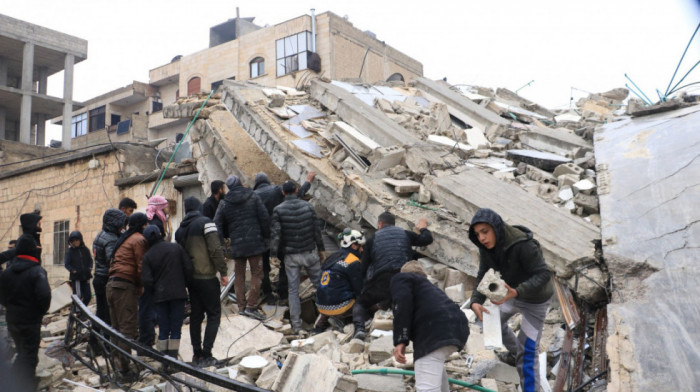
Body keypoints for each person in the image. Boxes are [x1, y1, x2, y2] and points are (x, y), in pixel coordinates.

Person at [468, 208, 553, 392]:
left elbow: (544, 274)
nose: (481, 238)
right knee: (491, 323)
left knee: (528, 352)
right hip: (510, 294)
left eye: (485, 232)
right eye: (477, 234)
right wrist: (476, 300)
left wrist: (517, 291)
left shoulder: (522, 244)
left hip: (535, 301)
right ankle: (516, 353)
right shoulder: (487, 248)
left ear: (495, 228)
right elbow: (484, 273)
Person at [353, 212, 433, 340]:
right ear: (393, 224)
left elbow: (364, 268)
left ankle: (359, 329)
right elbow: (427, 239)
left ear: (379, 224)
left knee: (361, 303)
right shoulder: (404, 233)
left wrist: (363, 288)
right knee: (402, 302)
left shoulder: (372, 239)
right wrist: (422, 227)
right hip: (403, 278)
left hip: (381, 280)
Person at [391, 261, 469, 392]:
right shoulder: (430, 289)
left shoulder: (403, 279)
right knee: (435, 363)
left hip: (435, 332)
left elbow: (402, 304)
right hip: (458, 328)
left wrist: (400, 340)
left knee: (426, 387)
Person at [176, 197, 228, 366]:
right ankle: (207, 354)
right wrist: (223, 271)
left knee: (196, 316)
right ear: (198, 207)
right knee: (214, 314)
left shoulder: (180, 230)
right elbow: (215, 248)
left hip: (191, 280)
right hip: (206, 277)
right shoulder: (206, 223)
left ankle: (196, 354)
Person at [270, 180, 325, 335]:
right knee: (320, 285)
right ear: (296, 190)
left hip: (291, 256)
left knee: (293, 290)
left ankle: (296, 326)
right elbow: (316, 230)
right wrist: (321, 250)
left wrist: (274, 255)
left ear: (283, 192)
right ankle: (329, 316)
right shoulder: (308, 206)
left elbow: (276, 235)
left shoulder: (278, 210)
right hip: (309, 252)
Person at [254, 171, 315, 303]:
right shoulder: (276, 190)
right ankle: (282, 293)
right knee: (283, 264)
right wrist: (308, 182)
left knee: (264, 267)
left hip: (261, 238)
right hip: (280, 236)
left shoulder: (253, 196)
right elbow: (294, 195)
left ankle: (268, 294)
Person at [0, 234, 51, 391]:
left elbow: (2, 296)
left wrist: (11, 307)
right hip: (31, 321)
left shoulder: (7, 273)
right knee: (28, 356)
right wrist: (40, 312)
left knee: (22, 351)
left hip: (13, 320)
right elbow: (44, 296)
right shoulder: (37, 271)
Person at [214, 175, 269, 321]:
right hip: (255, 242)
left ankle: (241, 307)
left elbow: (217, 224)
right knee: (257, 273)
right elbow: (264, 217)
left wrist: (221, 243)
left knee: (239, 275)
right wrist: (266, 236)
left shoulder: (224, 203)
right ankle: (251, 306)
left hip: (237, 244)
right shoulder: (253, 196)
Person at [106, 212, 149, 382]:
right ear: (142, 225)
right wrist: (141, 286)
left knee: (115, 328)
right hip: (125, 286)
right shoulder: (138, 239)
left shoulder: (122, 239)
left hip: (111, 285)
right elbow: (141, 267)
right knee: (127, 329)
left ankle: (116, 366)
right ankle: (124, 371)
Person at [141, 226, 193, 359]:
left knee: (163, 330)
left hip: (160, 298)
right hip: (178, 294)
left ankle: (165, 360)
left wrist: (154, 292)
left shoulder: (148, 256)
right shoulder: (176, 248)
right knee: (176, 329)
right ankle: (174, 359)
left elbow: (147, 281)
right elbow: (188, 268)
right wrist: (184, 285)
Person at [312, 228, 364, 334]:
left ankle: (317, 328)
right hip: (341, 307)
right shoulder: (353, 261)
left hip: (321, 306)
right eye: (360, 246)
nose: (362, 249)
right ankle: (359, 328)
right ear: (354, 246)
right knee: (362, 299)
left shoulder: (331, 257)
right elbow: (359, 289)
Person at [92, 208, 127, 326]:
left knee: (100, 312)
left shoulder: (101, 234)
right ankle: (105, 342)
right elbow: (112, 260)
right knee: (107, 314)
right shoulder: (111, 239)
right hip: (105, 279)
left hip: (98, 276)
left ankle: (94, 340)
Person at [64, 231, 93, 305]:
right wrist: (73, 270)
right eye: (73, 241)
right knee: (78, 297)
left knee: (88, 296)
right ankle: (76, 313)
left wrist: (90, 267)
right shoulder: (70, 251)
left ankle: (82, 311)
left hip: (86, 276)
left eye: (77, 240)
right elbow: (67, 264)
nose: (75, 242)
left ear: (80, 240)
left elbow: (90, 260)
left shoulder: (85, 250)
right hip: (77, 278)